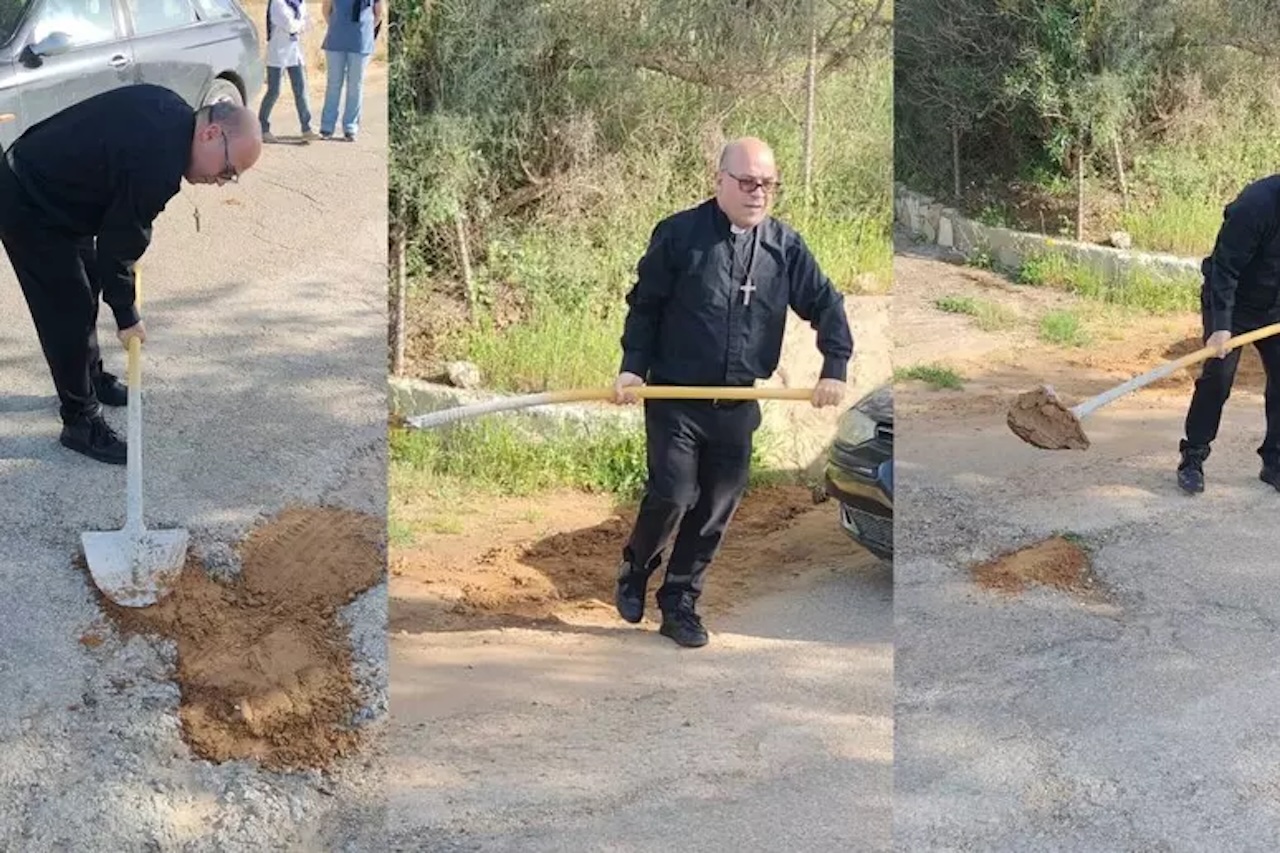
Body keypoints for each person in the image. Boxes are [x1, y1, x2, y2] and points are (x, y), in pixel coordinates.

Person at [611, 136, 854, 648]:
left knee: (717, 506)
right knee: (674, 495)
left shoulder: (786, 248)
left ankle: (679, 602)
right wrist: (633, 368)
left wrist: (835, 364)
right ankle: (636, 567)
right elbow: (646, 306)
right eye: (747, 182)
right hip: (675, 397)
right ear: (719, 181)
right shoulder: (679, 236)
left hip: (737, 401)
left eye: (767, 184)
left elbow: (827, 303)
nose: (758, 192)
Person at [0, 84, 263, 465]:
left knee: (87, 285)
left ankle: (89, 378)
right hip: (27, 199)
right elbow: (119, 244)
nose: (221, 181)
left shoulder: (173, 109)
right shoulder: (161, 161)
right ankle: (80, 422)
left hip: (59, 195)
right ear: (210, 133)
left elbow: (117, 236)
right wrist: (127, 317)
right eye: (227, 170)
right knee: (67, 310)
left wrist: (117, 293)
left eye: (230, 177)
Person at [1177, 174, 1280, 494]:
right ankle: (1193, 457)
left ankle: (1274, 462)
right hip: (1233, 303)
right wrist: (1220, 324)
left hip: (1276, 308)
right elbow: (1224, 268)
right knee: (1218, 377)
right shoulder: (1257, 205)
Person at [319, 0, 381, 142]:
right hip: (336, 41)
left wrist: (364, 31)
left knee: (355, 85)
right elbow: (326, 10)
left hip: (360, 43)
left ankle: (350, 127)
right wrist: (337, 27)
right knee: (333, 84)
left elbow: (378, 15)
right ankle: (327, 127)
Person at [259, 0, 316, 143]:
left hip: (295, 53)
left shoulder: (300, 3)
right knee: (274, 91)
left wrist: (300, 25)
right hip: (278, 53)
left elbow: (309, 23)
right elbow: (290, 26)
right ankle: (262, 127)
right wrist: (302, 24)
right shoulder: (277, 4)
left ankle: (307, 128)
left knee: (301, 90)